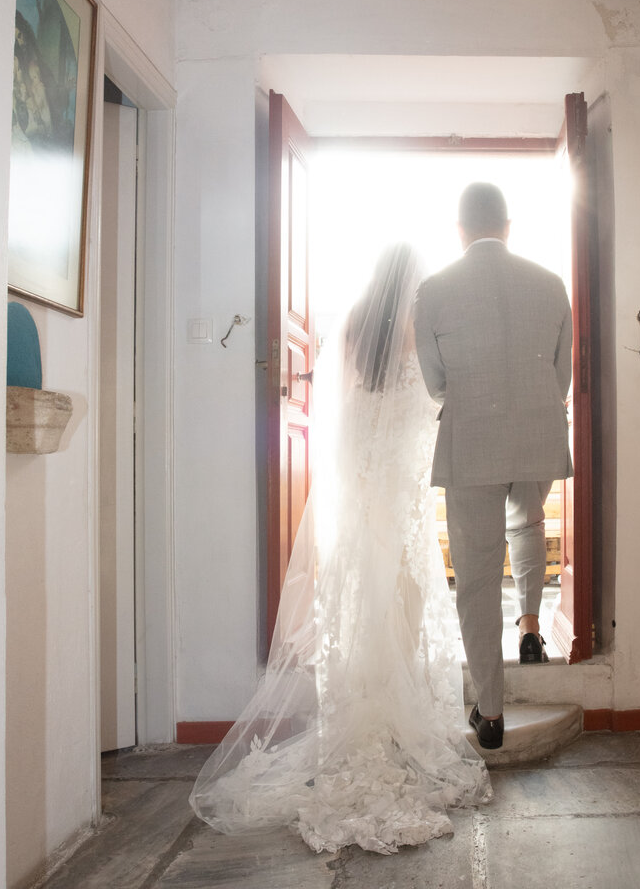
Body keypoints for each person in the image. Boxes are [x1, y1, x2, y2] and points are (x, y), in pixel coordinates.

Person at [190, 244, 490, 854]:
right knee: (401, 593)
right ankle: (397, 709)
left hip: (358, 481)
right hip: (400, 482)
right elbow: (434, 398)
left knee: (358, 587)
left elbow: (344, 402)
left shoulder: (353, 320)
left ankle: (362, 695)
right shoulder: (419, 325)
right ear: (413, 283)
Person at [414, 183, 573, 752]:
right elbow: (562, 380)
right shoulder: (551, 284)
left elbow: (436, 384)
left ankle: (492, 710)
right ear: (508, 226)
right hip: (536, 437)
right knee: (529, 526)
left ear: (460, 231)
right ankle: (531, 629)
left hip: (472, 442)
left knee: (478, 578)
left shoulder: (433, 290)